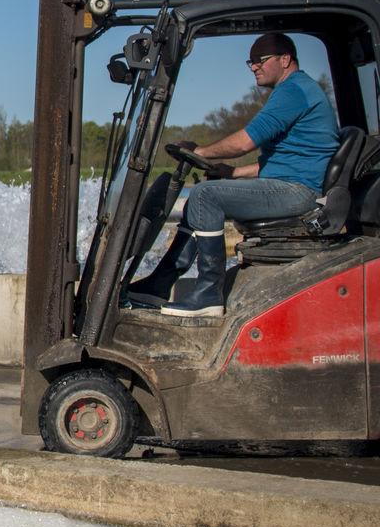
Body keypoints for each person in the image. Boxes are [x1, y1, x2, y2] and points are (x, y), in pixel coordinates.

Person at [128, 32, 340, 317]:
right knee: (197, 203)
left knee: (205, 195)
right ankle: (159, 284)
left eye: (260, 60)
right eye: (251, 62)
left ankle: (208, 293)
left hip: (298, 192)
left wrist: (201, 152)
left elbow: (245, 142)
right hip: (290, 184)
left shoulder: (293, 91)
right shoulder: (296, 89)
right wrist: (233, 172)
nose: (254, 67)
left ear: (285, 59)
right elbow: (283, 161)